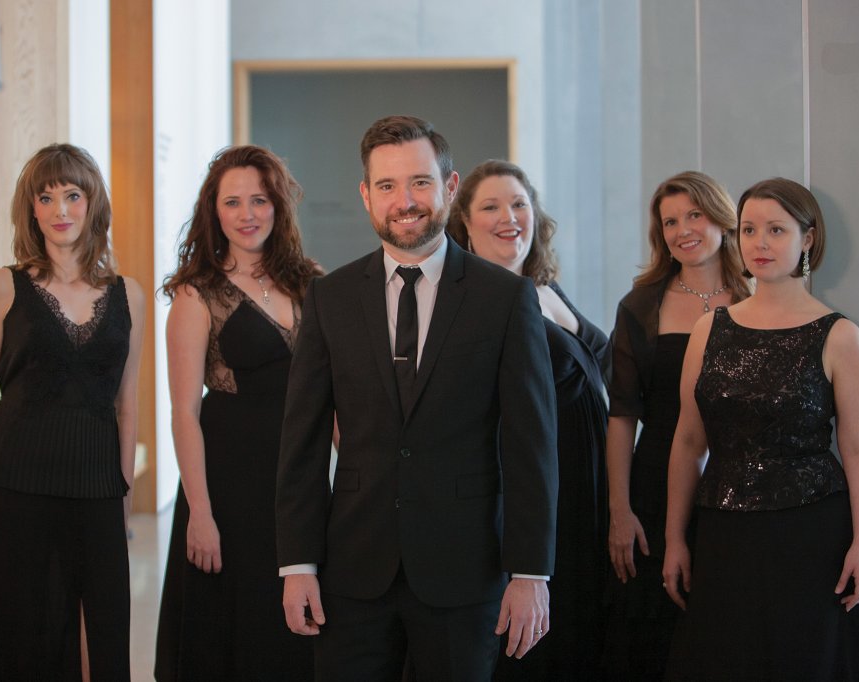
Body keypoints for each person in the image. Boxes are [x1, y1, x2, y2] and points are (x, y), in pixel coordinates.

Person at [275, 115, 559, 681]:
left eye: (420, 183)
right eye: (386, 186)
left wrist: (530, 573)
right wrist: (297, 563)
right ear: (366, 197)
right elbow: (302, 441)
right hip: (352, 567)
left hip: (465, 567)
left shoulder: (503, 299)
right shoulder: (329, 299)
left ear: (449, 188)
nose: (404, 201)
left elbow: (532, 444)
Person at [662, 177, 859, 680]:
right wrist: (675, 538)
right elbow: (688, 441)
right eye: (749, 229)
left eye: (776, 230)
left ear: (806, 239)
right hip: (723, 536)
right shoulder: (710, 329)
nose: (760, 243)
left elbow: (858, 448)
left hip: (811, 539)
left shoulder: (840, 336)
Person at [0, 143, 145, 680]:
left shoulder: (128, 295)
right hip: (11, 484)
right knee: (18, 633)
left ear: (92, 205)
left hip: (95, 483)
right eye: (46, 196)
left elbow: (127, 407)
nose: (60, 209)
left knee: (102, 632)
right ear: (32, 209)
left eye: (72, 194)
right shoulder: (0, 287)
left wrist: (123, 498)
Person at [154, 145, 322, 680]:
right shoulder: (195, 294)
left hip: (298, 474)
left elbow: (337, 392)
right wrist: (200, 513)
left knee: (299, 616)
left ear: (279, 206)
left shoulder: (311, 282)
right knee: (235, 623)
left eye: (259, 199)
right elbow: (183, 413)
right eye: (233, 202)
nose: (248, 214)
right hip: (227, 484)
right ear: (214, 212)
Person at [445, 159, 609, 680]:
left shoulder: (544, 286)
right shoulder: (471, 301)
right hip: (536, 497)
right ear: (464, 224)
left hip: (586, 491)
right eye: (490, 207)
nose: (508, 216)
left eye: (518, 204)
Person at [603, 170, 750, 678]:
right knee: (655, 627)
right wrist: (619, 510)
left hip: (740, 479)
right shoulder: (641, 306)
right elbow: (621, 415)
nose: (683, 229)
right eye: (670, 221)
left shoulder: (758, 296)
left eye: (695, 214)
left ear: (723, 219)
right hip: (654, 480)